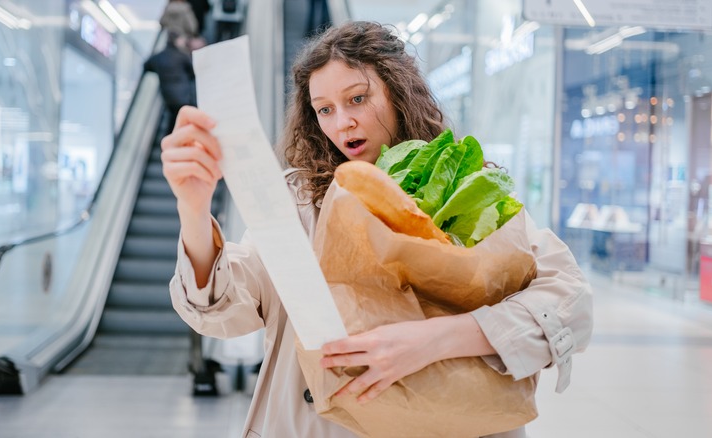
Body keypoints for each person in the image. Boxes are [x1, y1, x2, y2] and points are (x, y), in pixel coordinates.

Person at [162, 21, 593, 437]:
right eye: (325, 109)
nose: (341, 122)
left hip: (445, 423)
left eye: (357, 99)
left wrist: (435, 339)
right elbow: (227, 307)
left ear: (399, 92)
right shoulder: (298, 200)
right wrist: (193, 209)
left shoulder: (465, 184)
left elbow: (568, 301)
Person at [143, 32, 197, 136]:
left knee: (173, 119)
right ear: (176, 40)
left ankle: (169, 142)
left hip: (168, 97)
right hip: (183, 95)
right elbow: (193, 72)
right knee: (184, 118)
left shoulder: (159, 57)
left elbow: (146, 66)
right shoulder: (181, 56)